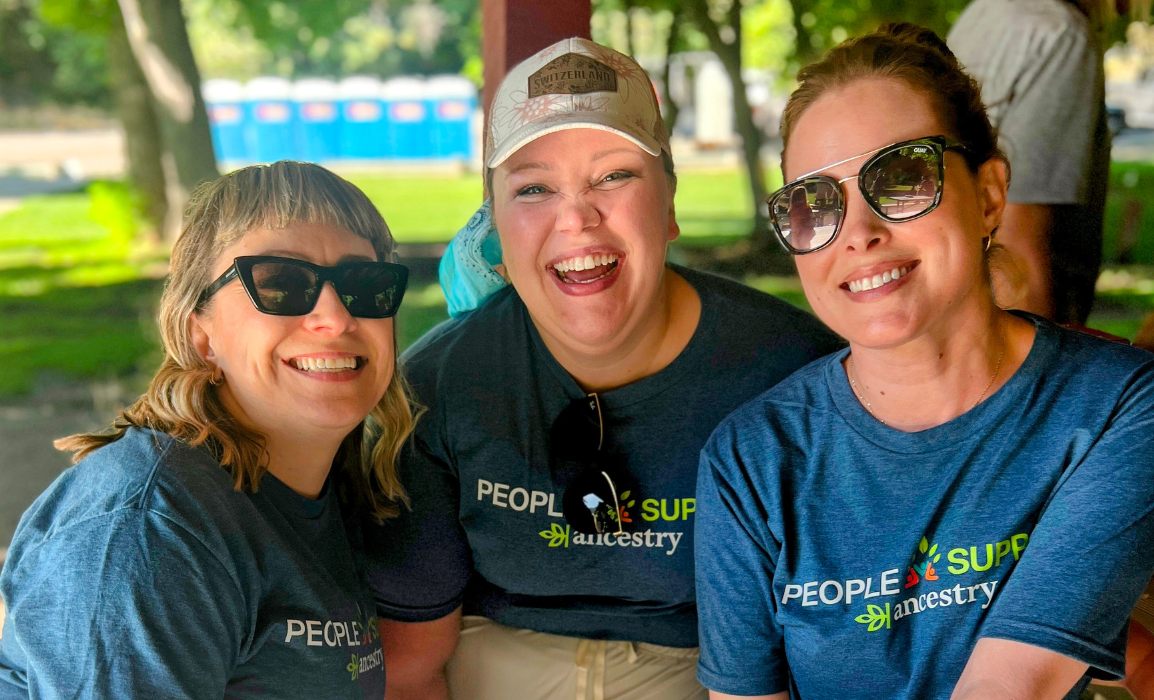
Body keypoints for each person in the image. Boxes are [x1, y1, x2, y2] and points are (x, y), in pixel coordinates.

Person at [361, 38, 843, 700]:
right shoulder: (438, 385)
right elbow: (412, 663)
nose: (576, 218)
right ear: (494, 226)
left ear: (669, 202)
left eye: (614, 176)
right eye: (532, 187)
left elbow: (830, 642)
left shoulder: (794, 374)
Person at [694, 24, 1154, 700]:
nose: (857, 234)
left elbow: (1013, 686)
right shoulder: (752, 459)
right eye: (813, 203)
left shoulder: (1112, 409)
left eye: (903, 177)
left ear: (990, 195)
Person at [0, 161, 416, 698]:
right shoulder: (151, 528)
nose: (337, 316)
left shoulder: (334, 487)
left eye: (364, 284)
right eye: (280, 283)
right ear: (201, 337)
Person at [947, 0, 1110, 324]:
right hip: (1013, 329)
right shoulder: (1059, 34)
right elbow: (1017, 250)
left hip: (960, 320)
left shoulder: (981, 14)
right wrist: (1044, 371)